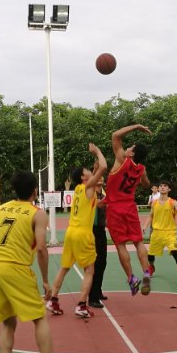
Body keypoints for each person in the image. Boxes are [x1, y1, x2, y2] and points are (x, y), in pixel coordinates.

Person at [0, 170, 72, 353]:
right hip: (15, 268)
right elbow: (41, 248)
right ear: (35, 190)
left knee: (8, 322)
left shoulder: (1, 208)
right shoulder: (37, 213)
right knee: (39, 318)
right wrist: (45, 280)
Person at [47, 143, 107, 318]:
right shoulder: (88, 187)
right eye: (87, 170)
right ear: (83, 177)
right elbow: (103, 167)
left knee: (64, 268)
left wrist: (109, 200)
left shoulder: (79, 190)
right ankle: (81, 305)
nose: (90, 171)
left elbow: (95, 204)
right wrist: (97, 151)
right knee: (90, 270)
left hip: (71, 232)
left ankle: (53, 300)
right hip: (82, 234)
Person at [104, 123, 153, 296]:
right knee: (138, 242)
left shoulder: (121, 160)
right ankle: (146, 274)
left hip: (115, 208)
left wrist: (137, 126)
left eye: (130, 147)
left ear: (131, 153)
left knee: (120, 244)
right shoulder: (141, 170)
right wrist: (141, 179)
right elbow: (147, 185)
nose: (127, 148)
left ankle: (132, 278)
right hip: (130, 207)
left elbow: (115, 135)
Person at [142, 181, 177, 285]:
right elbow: (151, 215)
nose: (162, 187)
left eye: (165, 186)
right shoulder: (154, 202)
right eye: (161, 186)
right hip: (156, 232)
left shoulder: (173, 202)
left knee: (175, 253)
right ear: (158, 189)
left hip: (169, 233)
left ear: (169, 189)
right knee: (150, 255)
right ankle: (151, 267)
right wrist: (145, 226)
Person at [88, 179, 109, 308]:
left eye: (102, 177)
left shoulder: (103, 193)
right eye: (98, 176)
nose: (100, 178)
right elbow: (99, 205)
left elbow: (105, 214)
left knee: (103, 262)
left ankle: (98, 290)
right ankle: (92, 297)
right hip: (92, 230)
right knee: (95, 263)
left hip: (101, 230)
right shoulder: (90, 193)